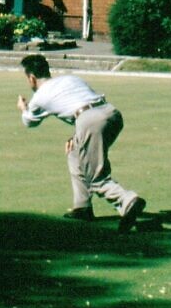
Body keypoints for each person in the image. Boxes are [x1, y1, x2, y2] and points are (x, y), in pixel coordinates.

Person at [16, 54, 147, 232]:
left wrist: (24, 108)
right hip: (112, 114)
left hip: (91, 121)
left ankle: (127, 201)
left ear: (31, 78)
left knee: (96, 178)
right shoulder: (70, 79)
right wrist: (79, 134)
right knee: (75, 152)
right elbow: (84, 104)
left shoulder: (40, 96)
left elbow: (29, 122)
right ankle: (82, 207)